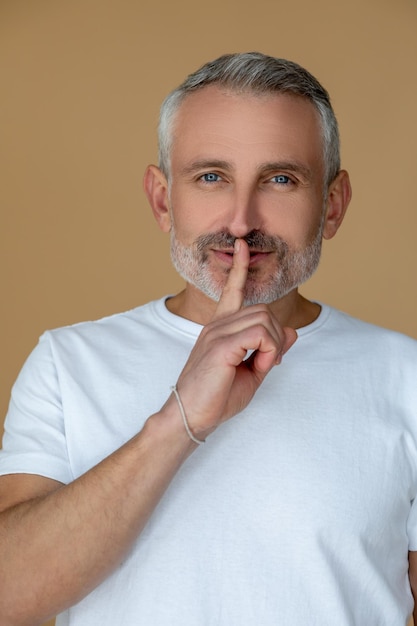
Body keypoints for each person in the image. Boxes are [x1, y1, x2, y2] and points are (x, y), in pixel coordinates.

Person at [0, 52, 416, 626]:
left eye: (281, 179)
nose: (242, 221)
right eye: (211, 177)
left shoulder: (405, 375)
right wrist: (179, 419)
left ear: (333, 206)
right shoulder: (67, 363)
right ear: (163, 200)